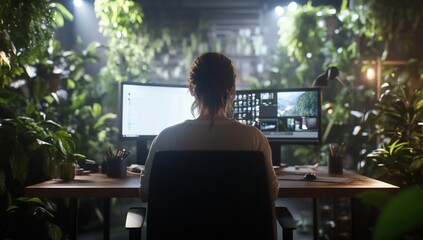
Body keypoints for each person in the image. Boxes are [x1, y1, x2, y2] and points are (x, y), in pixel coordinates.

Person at [140, 52, 279, 202]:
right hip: (236, 226)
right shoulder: (254, 138)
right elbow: (272, 193)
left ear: (193, 90)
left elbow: (145, 194)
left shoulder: (165, 138)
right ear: (232, 89)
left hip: (180, 226)